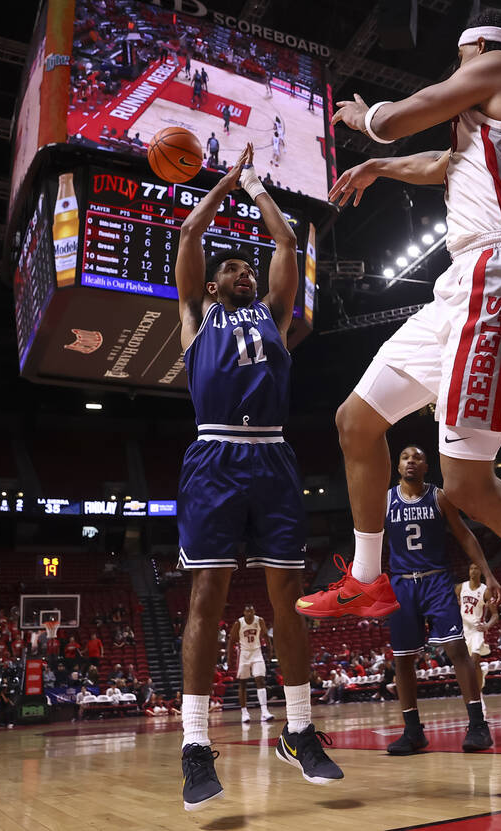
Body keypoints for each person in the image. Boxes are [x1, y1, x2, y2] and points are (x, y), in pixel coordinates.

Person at [299, 8, 501, 675]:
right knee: (357, 419)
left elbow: (396, 116)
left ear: (475, 48)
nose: (455, 66)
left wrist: (366, 123)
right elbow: (441, 161)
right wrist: (384, 166)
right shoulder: (491, 122)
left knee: (466, 485)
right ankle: (366, 577)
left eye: (458, 56)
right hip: (465, 280)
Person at [174, 143, 342, 811]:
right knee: (207, 596)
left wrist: (257, 187)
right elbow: (190, 231)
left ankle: (299, 729)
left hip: (271, 454)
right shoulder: (194, 317)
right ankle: (193, 744)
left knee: (289, 595)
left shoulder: (274, 316)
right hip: (214, 456)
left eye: (249, 267)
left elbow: (286, 249)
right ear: (213, 285)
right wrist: (222, 185)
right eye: (233, 268)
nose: (244, 272)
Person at [382, 445, 499, 755]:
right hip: (402, 585)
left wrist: (487, 572)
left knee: (457, 649)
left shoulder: (439, 496)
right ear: (397, 467)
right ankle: (413, 731)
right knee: (403, 659)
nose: (410, 461)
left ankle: (477, 725)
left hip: (436, 579)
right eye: (405, 456)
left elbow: (463, 534)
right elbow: (368, 536)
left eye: (417, 457)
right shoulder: (385, 500)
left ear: (425, 467)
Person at [226, 604, 274, 723]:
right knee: (243, 683)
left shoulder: (259, 621)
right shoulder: (239, 623)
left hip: (257, 652)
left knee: (260, 680)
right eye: (247, 612)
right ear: (244, 612)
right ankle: (244, 712)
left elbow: (266, 636)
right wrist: (228, 658)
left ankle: (264, 711)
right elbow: (231, 640)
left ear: (254, 612)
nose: (250, 614)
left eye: (251, 612)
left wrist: (270, 650)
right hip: (244, 654)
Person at [458, 562, 499, 693]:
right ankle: (480, 677)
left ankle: (477, 691)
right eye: (471, 568)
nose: (473, 571)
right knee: (467, 663)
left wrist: (487, 625)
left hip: (477, 630)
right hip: (463, 629)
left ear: (481, 572)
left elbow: (495, 615)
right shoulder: (460, 587)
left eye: (476, 569)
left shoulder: (486, 591)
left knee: (474, 660)